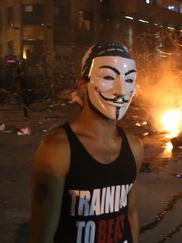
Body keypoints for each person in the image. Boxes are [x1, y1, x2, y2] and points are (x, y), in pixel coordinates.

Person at [30, 42, 143, 243]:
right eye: (108, 77)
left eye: (129, 79)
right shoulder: (57, 149)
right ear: (82, 83)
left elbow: (131, 214)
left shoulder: (134, 147)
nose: (121, 91)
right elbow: (42, 236)